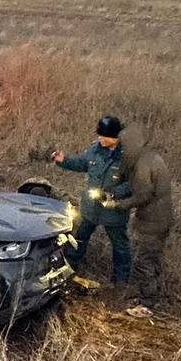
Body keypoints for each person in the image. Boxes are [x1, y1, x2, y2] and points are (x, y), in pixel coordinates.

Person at [48, 116, 131, 286]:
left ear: (114, 137)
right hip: (90, 208)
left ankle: (121, 281)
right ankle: (70, 268)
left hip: (113, 211)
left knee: (120, 245)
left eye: (103, 136)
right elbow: (82, 163)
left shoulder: (127, 156)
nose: (100, 139)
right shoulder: (96, 149)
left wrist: (111, 194)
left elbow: (133, 184)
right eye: (99, 136)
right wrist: (64, 161)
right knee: (78, 238)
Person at [101, 125, 173, 308]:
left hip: (152, 222)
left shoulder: (142, 165)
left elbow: (143, 195)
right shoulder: (152, 158)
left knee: (143, 262)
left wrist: (117, 205)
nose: (121, 151)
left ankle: (147, 303)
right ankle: (156, 295)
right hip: (163, 219)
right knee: (154, 258)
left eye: (123, 147)